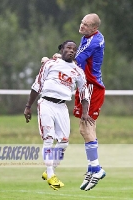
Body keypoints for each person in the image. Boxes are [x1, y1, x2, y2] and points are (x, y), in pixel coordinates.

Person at [43, 13, 106, 191]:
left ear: (94, 28)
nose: (82, 26)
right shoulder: (89, 37)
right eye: (82, 23)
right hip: (84, 85)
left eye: (86, 25)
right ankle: (92, 168)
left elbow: (74, 61)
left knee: (85, 128)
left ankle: (96, 168)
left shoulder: (93, 42)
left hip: (91, 86)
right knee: (87, 129)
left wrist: (53, 59)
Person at [24, 40, 94, 191]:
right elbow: (37, 85)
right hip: (46, 104)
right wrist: (28, 106)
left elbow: (84, 94)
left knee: (63, 142)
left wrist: (85, 113)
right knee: (48, 138)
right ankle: (51, 175)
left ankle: (49, 170)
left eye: (74, 49)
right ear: (61, 49)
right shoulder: (50, 64)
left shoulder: (78, 71)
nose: (71, 51)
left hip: (62, 107)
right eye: (68, 48)